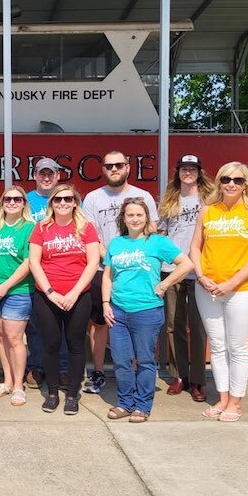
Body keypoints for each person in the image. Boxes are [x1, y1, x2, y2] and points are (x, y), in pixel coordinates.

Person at [190, 162, 248, 422]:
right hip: (207, 289)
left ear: (245, 183)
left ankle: (236, 402)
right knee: (217, 345)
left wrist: (231, 283)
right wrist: (201, 277)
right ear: (219, 182)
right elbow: (195, 248)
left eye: (237, 179)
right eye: (225, 179)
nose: (231, 184)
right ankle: (222, 398)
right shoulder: (208, 211)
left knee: (237, 347)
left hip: (241, 290)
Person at [102, 198, 193, 423]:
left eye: (139, 215)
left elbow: (187, 264)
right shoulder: (116, 244)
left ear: (146, 218)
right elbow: (107, 276)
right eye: (130, 215)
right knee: (121, 359)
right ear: (123, 218)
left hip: (147, 311)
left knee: (144, 359)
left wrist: (164, 285)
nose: (134, 219)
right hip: (118, 311)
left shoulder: (157, 242)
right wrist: (106, 304)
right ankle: (125, 402)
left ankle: (142, 405)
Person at [82, 150, 159, 395]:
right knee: (100, 324)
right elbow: (90, 236)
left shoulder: (142, 195)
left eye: (118, 165)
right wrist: (114, 260)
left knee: (137, 324)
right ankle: (98, 373)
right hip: (102, 269)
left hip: (136, 273)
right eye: (108, 166)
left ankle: (138, 373)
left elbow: (152, 232)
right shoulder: (93, 198)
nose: (113, 169)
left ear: (128, 167)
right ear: (103, 170)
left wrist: (128, 262)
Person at [29, 184, 100, 415]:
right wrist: (50, 292)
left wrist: (74, 293)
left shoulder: (86, 227)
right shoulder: (41, 228)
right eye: (58, 199)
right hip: (47, 296)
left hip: (78, 296)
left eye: (67, 199)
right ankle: (51, 393)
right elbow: (34, 262)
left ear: (74, 202)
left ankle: (71, 394)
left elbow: (93, 262)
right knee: (50, 344)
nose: (62, 203)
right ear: (51, 203)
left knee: (76, 345)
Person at [157, 154, 213, 402]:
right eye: (183, 169)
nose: (187, 172)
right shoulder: (169, 200)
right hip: (173, 270)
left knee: (198, 328)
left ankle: (198, 380)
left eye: (192, 169)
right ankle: (180, 376)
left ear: (199, 172)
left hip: (200, 271)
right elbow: (161, 234)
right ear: (177, 172)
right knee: (173, 325)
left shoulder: (210, 199)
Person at [0, 185, 35, 407]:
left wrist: (7, 286)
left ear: (24, 204)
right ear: (2, 202)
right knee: (1, 338)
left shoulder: (29, 228)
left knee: (14, 338)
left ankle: (19, 386)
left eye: (17, 200)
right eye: (8, 199)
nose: (12, 203)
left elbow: (29, 262)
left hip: (18, 291)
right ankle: (8, 381)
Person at [24, 157, 60, 388]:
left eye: (51, 174)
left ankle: (61, 368)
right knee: (35, 325)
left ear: (58, 176)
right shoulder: (26, 200)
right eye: (41, 173)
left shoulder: (66, 199)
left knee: (62, 325)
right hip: (31, 273)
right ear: (35, 175)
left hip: (60, 272)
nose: (46, 178)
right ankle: (36, 367)